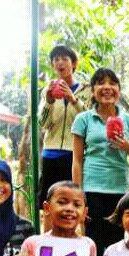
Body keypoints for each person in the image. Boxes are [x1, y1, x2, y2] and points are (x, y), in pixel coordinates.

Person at [72, 67, 129, 256]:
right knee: (93, 245)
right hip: (92, 190)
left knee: (117, 245)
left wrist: (127, 147)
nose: (106, 87)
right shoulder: (83, 120)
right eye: (100, 83)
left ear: (119, 91)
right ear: (93, 91)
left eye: (112, 83)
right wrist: (78, 197)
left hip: (119, 192)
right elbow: (77, 160)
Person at [38, 45, 91, 231]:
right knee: (49, 204)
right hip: (50, 153)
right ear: (53, 65)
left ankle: (76, 242)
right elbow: (43, 124)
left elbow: (90, 120)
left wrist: (73, 99)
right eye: (56, 60)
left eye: (64, 59)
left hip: (74, 154)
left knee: (74, 201)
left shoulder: (86, 90)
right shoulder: (47, 91)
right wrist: (50, 102)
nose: (60, 62)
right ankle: (48, 243)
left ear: (74, 64)